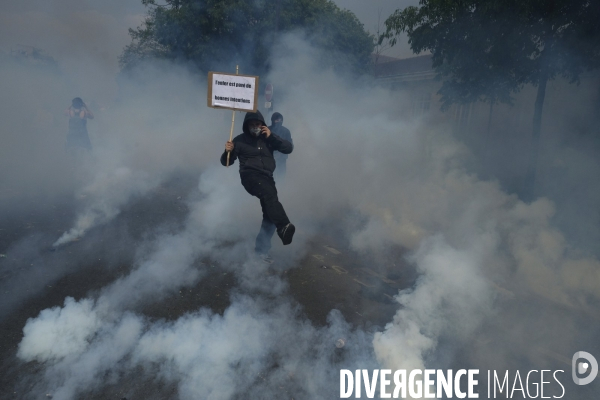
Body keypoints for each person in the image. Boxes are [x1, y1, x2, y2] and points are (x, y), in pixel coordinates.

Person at [221, 110, 295, 259]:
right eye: (252, 124)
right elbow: (227, 162)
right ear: (246, 126)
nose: (255, 127)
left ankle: (261, 251)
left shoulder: (268, 138)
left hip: (268, 177)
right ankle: (284, 226)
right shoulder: (239, 140)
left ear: (262, 125)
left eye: (258, 124)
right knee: (270, 197)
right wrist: (226, 151)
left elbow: (289, 148)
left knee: (270, 214)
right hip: (250, 177)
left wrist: (272, 136)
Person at [269, 112, 292, 182]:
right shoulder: (268, 130)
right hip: (269, 159)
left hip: (281, 159)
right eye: (276, 120)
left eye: (280, 120)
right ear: (273, 120)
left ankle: (281, 190)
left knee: (281, 177)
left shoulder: (286, 131)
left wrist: (280, 154)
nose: (278, 122)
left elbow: (289, 145)